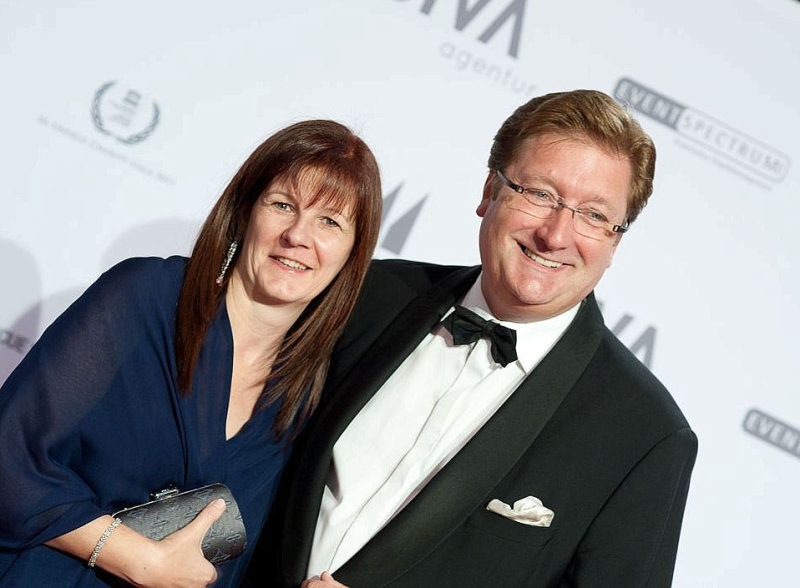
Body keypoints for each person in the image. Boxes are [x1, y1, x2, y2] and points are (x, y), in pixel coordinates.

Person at [253, 90, 698, 587]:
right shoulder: (369, 295)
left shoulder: (643, 435)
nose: (555, 234)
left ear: (615, 240)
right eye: (540, 194)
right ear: (490, 190)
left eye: (594, 215)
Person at [0, 119, 383, 588]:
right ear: (245, 211)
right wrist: (137, 559)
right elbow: (9, 458)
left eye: (330, 222)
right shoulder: (147, 297)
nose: (298, 235)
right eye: (283, 205)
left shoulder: (306, 393)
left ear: (353, 252)